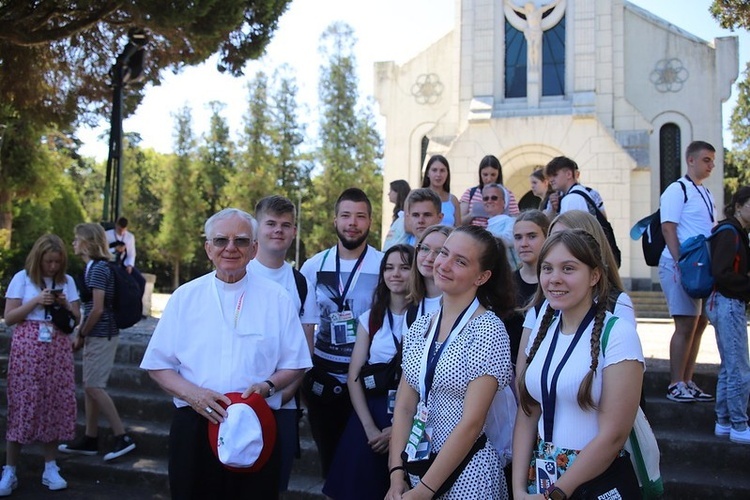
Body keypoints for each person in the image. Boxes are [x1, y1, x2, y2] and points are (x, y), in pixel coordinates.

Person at [140, 208, 312, 498]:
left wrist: (268, 386)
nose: (230, 248)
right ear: (208, 248)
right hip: (196, 422)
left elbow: (296, 363)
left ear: (254, 248)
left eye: (241, 241)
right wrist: (193, 395)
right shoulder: (186, 296)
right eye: (221, 240)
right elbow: (158, 364)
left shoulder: (277, 299)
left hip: (256, 423)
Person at [513, 229, 644, 499]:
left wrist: (557, 493)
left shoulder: (617, 334)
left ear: (594, 276)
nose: (554, 279)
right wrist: (517, 490)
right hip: (540, 480)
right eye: (547, 268)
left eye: (568, 268)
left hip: (592, 482)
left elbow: (613, 436)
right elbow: (528, 413)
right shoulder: (543, 327)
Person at [386, 225, 515, 500]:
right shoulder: (420, 326)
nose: (443, 264)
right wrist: (396, 473)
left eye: (460, 261)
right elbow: (406, 406)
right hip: (417, 468)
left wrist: (424, 491)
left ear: (482, 276)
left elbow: (472, 422)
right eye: (444, 253)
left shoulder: (487, 330)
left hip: (467, 475)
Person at [300, 188, 385, 478]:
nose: (353, 223)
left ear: (370, 222)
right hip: (324, 382)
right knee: (330, 467)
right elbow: (305, 326)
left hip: (368, 381)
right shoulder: (313, 266)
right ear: (335, 220)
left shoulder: (384, 265)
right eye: (346, 215)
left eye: (360, 216)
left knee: (364, 471)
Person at [323, 244, 415, 500]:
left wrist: (396, 430)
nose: (395, 274)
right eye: (389, 267)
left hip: (411, 415)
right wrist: (370, 428)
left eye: (404, 267)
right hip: (372, 414)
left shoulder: (427, 317)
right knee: (352, 487)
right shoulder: (371, 318)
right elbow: (354, 376)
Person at [0, 235, 80, 495]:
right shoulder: (22, 279)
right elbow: (9, 317)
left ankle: (50, 466)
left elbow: (76, 318)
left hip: (57, 348)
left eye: (58, 261)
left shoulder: (67, 282)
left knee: (54, 403)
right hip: (27, 348)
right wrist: (36, 301)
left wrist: (65, 303)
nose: (53, 266)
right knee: (23, 402)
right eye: (49, 261)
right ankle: (10, 469)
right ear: (39, 259)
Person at [247, 195, 317, 492]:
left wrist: (282, 394)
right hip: (236, 400)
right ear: (256, 229)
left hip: (283, 406)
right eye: (271, 223)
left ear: (294, 232)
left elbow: (305, 350)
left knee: (274, 486)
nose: (278, 230)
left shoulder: (301, 284)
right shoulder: (239, 274)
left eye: (286, 225)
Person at [518, 210, 635, 371]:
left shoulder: (617, 305)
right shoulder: (541, 308)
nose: (558, 245)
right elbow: (523, 376)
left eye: (567, 236)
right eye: (552, 238)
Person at [58, 223, 135, 462]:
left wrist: (81, 333)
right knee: (90, 387)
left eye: (76, 239)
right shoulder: (93, 267)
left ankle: (122, 436)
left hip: (102, 334)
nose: (73, 243)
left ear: (88, 242)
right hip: (97, 334)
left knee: (94, 387)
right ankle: (90, 438)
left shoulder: (99, 269)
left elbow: (98, 308)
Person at [659, 140, 718, 403]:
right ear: (690, 160)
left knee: (700, 323)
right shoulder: (677, 189)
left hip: (700, 268)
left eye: (712, 160)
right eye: (706, 160)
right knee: (685, 324)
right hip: (680, 266)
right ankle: (675, 384)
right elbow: (668, 227)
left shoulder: (705, 193)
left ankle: (687, 380)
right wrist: (680, 263)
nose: (711, 165)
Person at [706, 186, 750, 444]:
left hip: (723, 303)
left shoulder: (734, 232)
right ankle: (739, 424)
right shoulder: (730, 233)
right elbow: (721, 272)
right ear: (739, 205)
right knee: (739, 368)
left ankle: (723, 421)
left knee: (729, 366)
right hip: (728, 303)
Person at [504, 210, 549, 365]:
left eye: (531, 236)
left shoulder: (554, 284)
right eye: (518, 237)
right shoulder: (506, 282)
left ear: (547, 237)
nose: (524, 243)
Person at [406, 225, 454, 326]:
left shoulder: (459, 305)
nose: (429, 258)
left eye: (440, 252)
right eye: (425, 248)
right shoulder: (412, 309)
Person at [460, 155, 520, 227]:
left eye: (493, 175)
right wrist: (473, 214)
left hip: (498, 234)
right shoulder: (470, 193)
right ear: (480, 174)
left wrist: (499, 213)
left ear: (498, 174)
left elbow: (515, 221)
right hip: (473, 235)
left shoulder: (507, 194)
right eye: (485, 175)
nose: (489, 179)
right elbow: (459, 222)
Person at [483, 183, 520, 270]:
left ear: (504, 202)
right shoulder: (487, 226)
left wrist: (484, 234)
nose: (489, 200)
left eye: (494, 198)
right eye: (485, 198)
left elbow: (509, 239)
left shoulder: (510, 221)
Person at [421, 155, 461, 226]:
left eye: (442, 170)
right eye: (434, 170)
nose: (438, 174)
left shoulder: (453, 200)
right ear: (427, 173)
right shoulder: (416, 196)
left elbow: (458, 229)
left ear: (447, 174)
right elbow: (407, 225)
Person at [383, 180, 412, 251]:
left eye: (391, 190)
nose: (388, 193)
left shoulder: (408, 215)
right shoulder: (399, 215)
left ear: (398, 192)